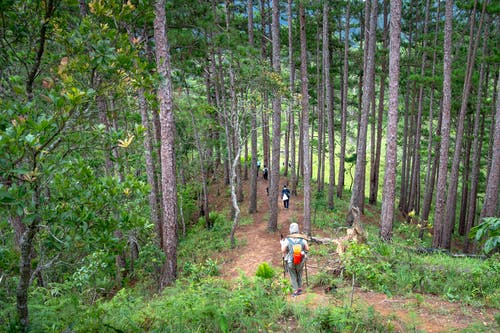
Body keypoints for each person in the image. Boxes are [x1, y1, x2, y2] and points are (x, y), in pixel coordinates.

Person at [281, 223, 309, 297]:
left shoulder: (287, 239)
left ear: (290, 229)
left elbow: (283, 250)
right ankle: (299, 288)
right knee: (299, 273)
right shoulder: (302, 239)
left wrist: (282, 244)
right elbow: (307, 248)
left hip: (291, 260)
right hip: (300, 259)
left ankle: (295, 290)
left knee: (293, 274)